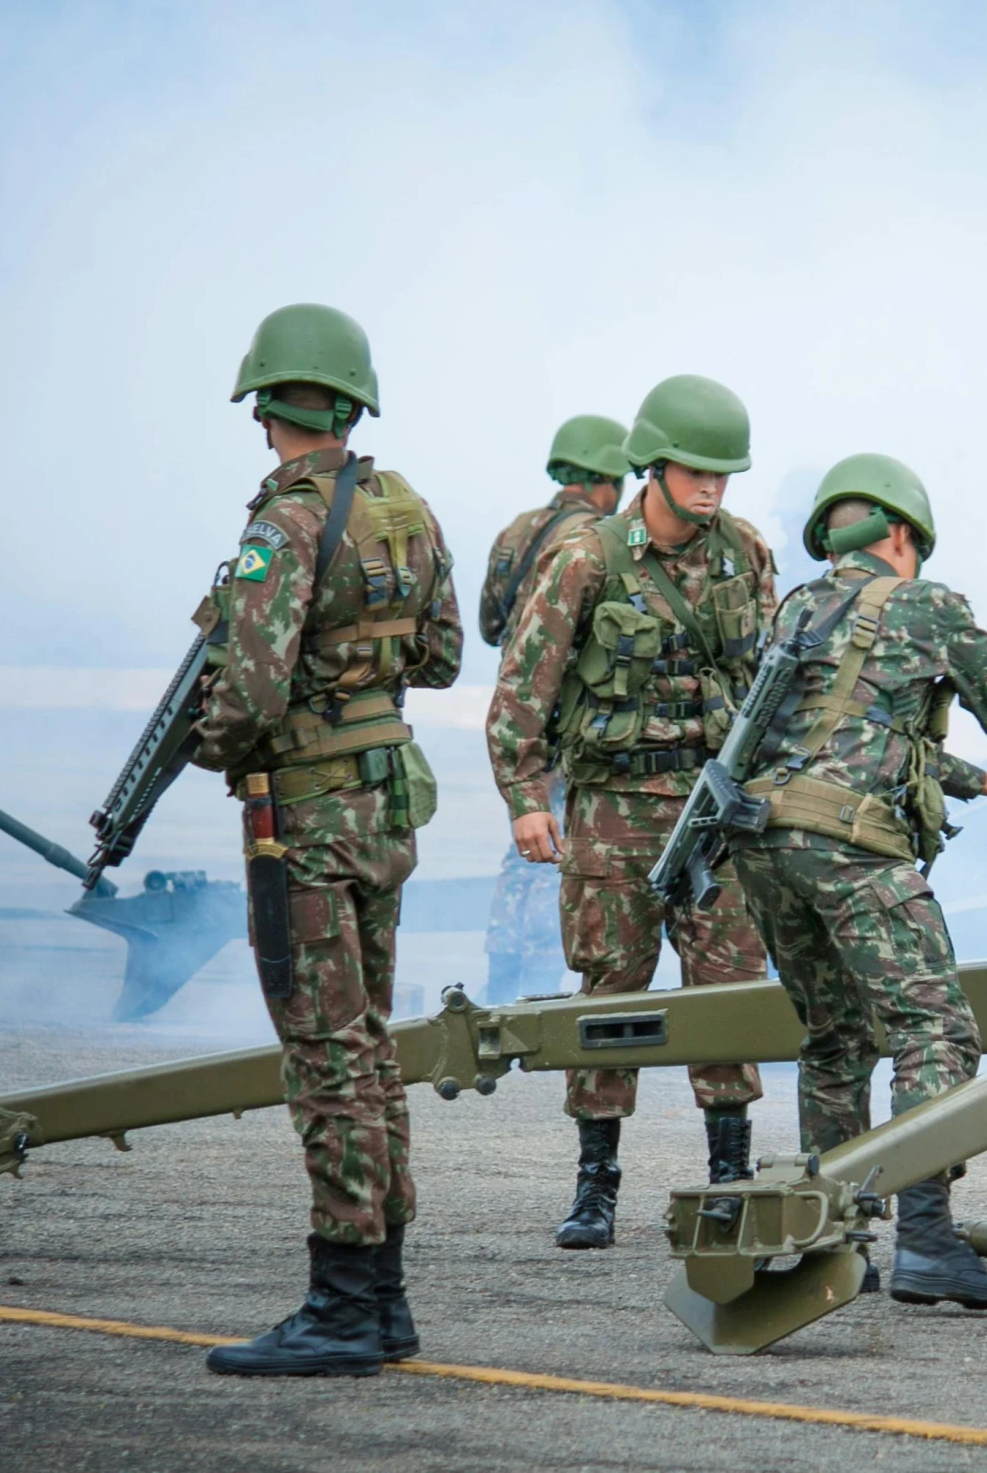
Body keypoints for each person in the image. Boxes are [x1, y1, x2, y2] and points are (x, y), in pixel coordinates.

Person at [730, 453, 987, 1309]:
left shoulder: (800, 608)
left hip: (765, 843)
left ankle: (827, 1244)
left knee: (837, 1038)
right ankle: (925, 1237)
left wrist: (983, 782)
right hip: (848, 844)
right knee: (936, 1029)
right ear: (900, 533)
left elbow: (841, 731)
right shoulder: (929, 604)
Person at [191, 302, 463, 1377]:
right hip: (384, 807)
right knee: (371, 1049)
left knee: (325, 1054)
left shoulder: (284, 526)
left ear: (264, 408)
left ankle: (345, 1305)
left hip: (301, 815)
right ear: (352, 401)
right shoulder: (407, 510)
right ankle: (382, 1300)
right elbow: (439, 657)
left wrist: (226, 743)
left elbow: (247, 693)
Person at [486, 375, 775, 1251]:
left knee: (726, 993)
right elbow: (522, 685)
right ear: (654, 463)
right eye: (695, 469)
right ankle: (596, 1184)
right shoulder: (587, 558)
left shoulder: (746, 553)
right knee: (610, 992)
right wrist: (527, 799)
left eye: (724, 472)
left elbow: (771, 680)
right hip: (614, 808)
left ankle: (730, 1181)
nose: (712, 487)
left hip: (716, 808)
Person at [476, 415, 632, 1005]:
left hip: (519, 711)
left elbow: (493, 628)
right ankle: (541, 978)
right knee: (563, 845)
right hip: (572, 719)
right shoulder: (602, 538)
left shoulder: (517, 533)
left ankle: (504, 973)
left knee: (523, 848)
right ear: (606, 479)